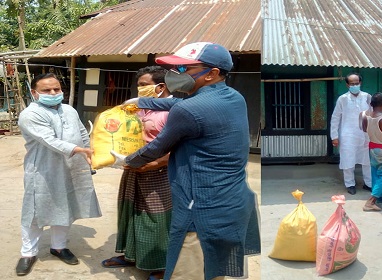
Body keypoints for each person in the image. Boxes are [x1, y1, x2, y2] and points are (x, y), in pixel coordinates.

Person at [113, 42, 261, 280]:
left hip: (200, 206)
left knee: (190, 270)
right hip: (233, 199)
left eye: (184, 69)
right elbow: (179, 104)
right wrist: (141, 102)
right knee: (214, 268)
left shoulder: (190, 110)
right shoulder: (234, 97)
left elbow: (155, 149)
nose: (176, 74)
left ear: (212, 73)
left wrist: (125, 160)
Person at [15, 73, 102, 276]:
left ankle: (59, 247)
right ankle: (28, 253)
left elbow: (82, 133)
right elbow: (50, 140)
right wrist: (80, 151)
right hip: (43, 171)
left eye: (57, 89)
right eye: (47, 90)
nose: (53, 93)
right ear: (35, 93)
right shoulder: (30, 114)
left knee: (65, 206)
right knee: (35, 211)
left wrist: (89, 155)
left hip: (71, 167)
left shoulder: (69, 110)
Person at [101, 66, 172, 280]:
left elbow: (181, 146)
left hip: (159, 172)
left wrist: (157, 163)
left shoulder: (172, 111)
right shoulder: (139, 110)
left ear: (161, 87)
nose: (139, 90)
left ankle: (160, 265)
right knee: (130, 212)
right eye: (138, 85)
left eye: (144, 85)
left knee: (156, 218)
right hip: (133, 168)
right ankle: (131, 255)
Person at [330, 73, 372, 195]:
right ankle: (350, 184)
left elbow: (374, 114)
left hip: (365, 134)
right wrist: (334, 136)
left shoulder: (367, 97)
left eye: (357, 83)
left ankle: (368, 184)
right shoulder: (342, 99)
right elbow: (335, 117)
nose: (355, 85)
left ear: (361, 83)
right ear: (347, 84)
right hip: (347, 134)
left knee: (367, 160)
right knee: (348, 160)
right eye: (352, 84)